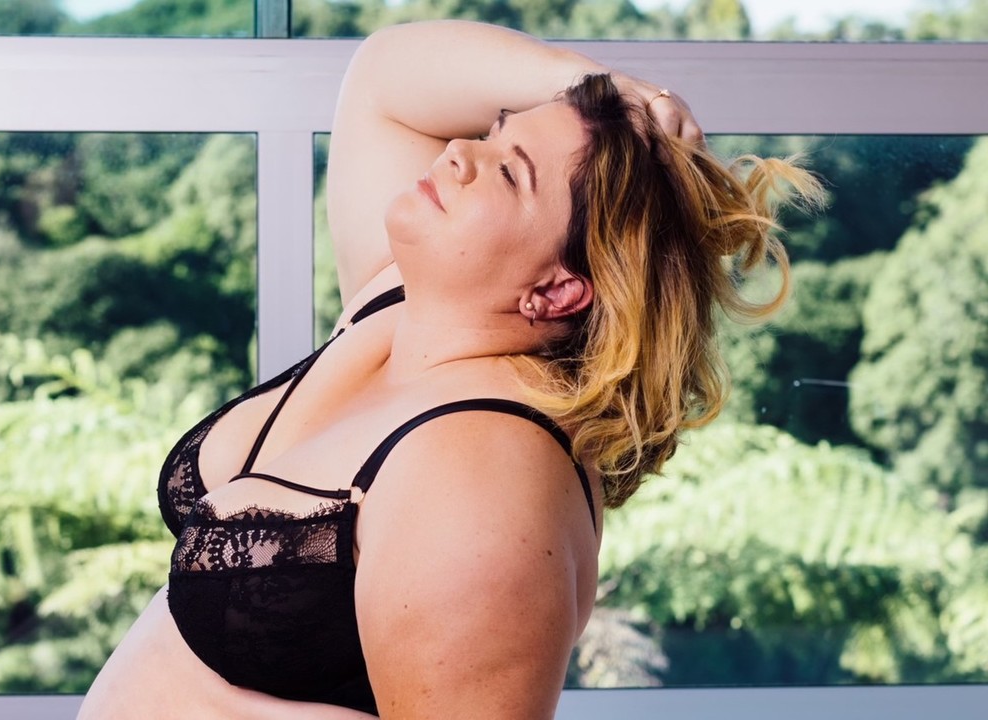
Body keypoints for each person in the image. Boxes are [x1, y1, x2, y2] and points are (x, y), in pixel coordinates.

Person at [78, 19, 821, 720]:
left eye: (510, 174)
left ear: (555, 291)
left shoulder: (489, 470)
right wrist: (600, 85)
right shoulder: (395, 300)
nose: (462, 152)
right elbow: (386, 78)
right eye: (495, 131)